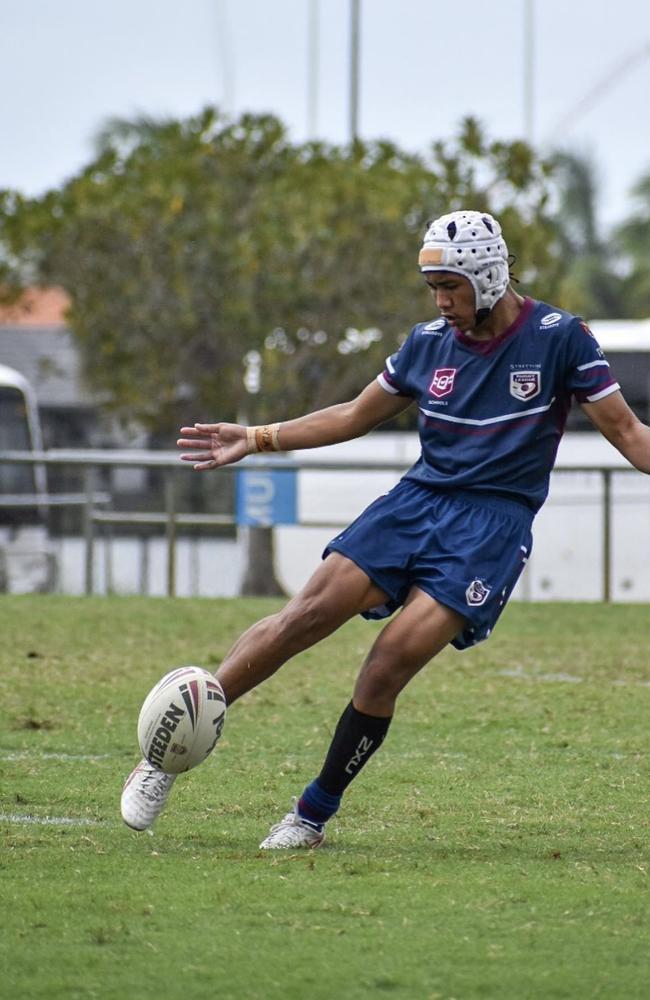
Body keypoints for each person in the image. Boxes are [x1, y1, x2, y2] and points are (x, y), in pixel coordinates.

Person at [120, 209, 650, 848]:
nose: (440, 301)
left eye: (450, 286)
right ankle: (165, 751)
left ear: (487, 277)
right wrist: (259, 437)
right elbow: (353, 415)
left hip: (491, 528)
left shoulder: (561, 337)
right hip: (415, 503)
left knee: (386, 666)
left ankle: (310, 815)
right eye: (433, 287)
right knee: (302, 619)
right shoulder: (428, 342)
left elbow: (629, 434)